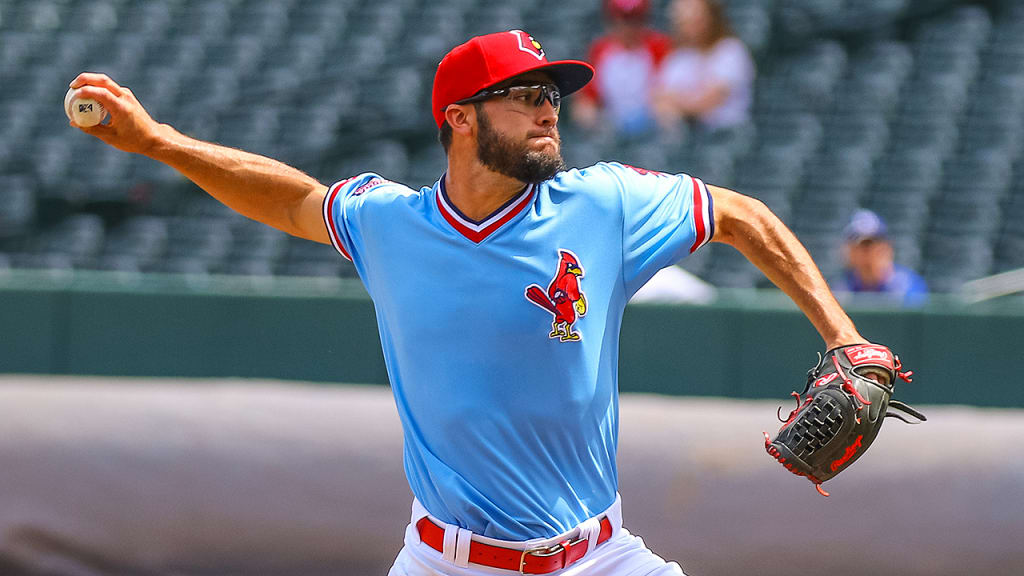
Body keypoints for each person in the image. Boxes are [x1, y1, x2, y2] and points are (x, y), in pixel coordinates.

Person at [71, 29, 879, 576]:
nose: (548, 107)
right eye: (523, 94)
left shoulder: (604, 206)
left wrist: (842, 337)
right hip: (445, 561)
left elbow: (740, 214)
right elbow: (290, 199)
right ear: (460, 118)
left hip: (599, 557)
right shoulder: (388, 222)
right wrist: (157, 142)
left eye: (552, 93)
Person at [571, 0, 671, 137]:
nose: (628, 27)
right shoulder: (600, 50)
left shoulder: (659, 46)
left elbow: (671, 89)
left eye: (634, 20)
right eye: (623, 20)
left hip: (653, 122)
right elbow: (587, 98)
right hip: (612, 123)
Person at [653, 0, 755, 134]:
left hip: (727, 136)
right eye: (684, 21)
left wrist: (678, 105)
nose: (690, 27)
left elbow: (710, 101)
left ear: (711, 17)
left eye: (696, 19)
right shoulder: (679, 58)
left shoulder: (730, 50)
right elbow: (659, 98)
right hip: (688, 137)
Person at [833, 209, 928, 306]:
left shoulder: (907, 286)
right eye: (859, 245)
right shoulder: (844, 289)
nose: (865, 251)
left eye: (869, 244)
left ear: (886, 246)